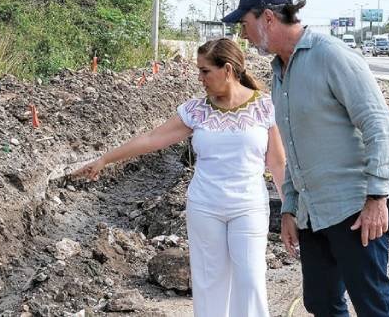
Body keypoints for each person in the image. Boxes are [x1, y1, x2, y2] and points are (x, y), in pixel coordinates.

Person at [223, 0, 389, 316]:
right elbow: (294, 146)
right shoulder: (279, 72)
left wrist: (378, 197)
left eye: (245, 24)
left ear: (268, 18)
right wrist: (290, 207)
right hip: (314, 210)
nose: (244, 35)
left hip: (356, 206)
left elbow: (379, 124)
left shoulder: (330, 55)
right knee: (320, 302)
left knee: (373, 304)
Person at [72, 38, 286, 317]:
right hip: (205, 208)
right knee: (210, 284)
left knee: (251, 281)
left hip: (249, 208)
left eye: (205, 71)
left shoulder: (265, 106)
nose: (200, 78)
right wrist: (105, 159)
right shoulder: (196, 110)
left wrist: (292, 210)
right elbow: (152, 138)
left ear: (228, 70)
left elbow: (277, 163)